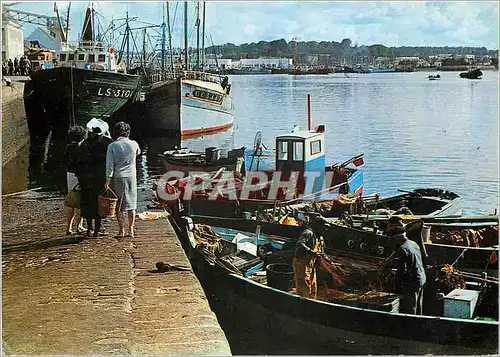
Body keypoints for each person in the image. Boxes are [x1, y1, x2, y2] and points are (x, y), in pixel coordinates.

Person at [76, 120, 112, 237]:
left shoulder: (85, 144)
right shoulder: (106, 143)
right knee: (99, 203)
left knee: (87, 202)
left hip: (86, 178)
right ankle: (97, 229)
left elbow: (80, 162)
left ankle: (89, 228)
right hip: (99, 177)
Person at [105, 122, 141, 238]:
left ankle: (121, 230)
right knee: (132, 204)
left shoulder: (112, 146)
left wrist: (107, 180)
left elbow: (109, 166)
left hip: (118, 176)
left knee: (119, 205)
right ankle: (131, 229)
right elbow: (138, 153)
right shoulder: (134, 144)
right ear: (128, 132)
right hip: (131, 176)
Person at [389, 227, 427, 315]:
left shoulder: (403, 249)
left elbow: (403, 270)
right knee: (418, 304)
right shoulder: (414, 243)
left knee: (410, 307)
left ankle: (410, 325)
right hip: (421, 277)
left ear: (397, 236)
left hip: (412, 281)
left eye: (394, 237)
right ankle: (419, 324)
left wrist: (395, 284)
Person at [292, 216, 327, 299]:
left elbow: (320, 252)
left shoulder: (319, 237)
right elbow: (300, 244)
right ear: (317, 226)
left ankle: (312, 302)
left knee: (313, 285)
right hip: (302, 263)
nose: (325, 229)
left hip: (310, 263)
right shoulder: (308, 233)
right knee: (304, 286)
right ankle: (303, 305)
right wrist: (311, 251)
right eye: (323, 227)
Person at [65, 125, 87, 235]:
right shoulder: (82, 148)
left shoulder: (68, 147)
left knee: (72, 200)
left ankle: (69, 227)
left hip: (70, 174)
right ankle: (79, 225)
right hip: (80, 175)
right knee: (81, 200)